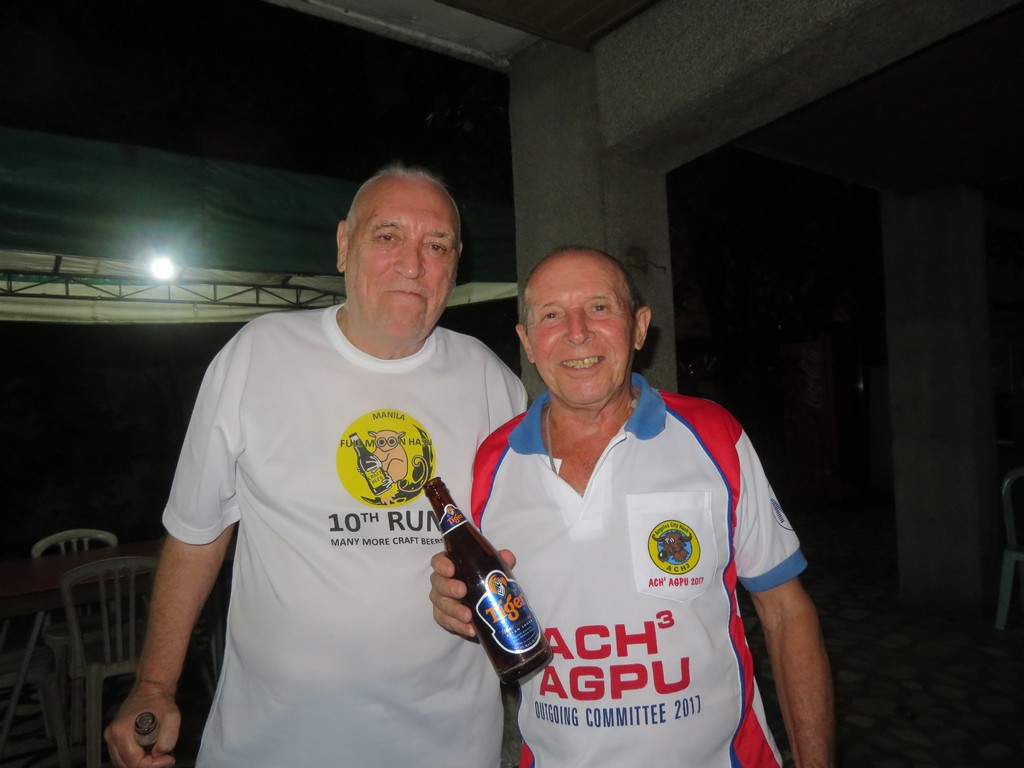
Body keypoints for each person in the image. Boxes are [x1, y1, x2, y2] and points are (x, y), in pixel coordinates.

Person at [104, 163, 527, 768]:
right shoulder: (259, 354)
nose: (413, 264)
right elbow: (198, 532)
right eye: (388, 236)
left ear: (455, 265)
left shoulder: (490, 380)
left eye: (437, 246)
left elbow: (527, 543)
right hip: (274, 742)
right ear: (343, 245)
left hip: (448, 743)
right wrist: (153, 685)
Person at [430, 246, 835, 767]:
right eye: (551, 315)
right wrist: (453, 603)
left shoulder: (713, 437)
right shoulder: (490, 464)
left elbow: (786, 613)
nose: (577, 332)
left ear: (639, 327)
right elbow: (482, 600)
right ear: (527, 342)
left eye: (599, 307)